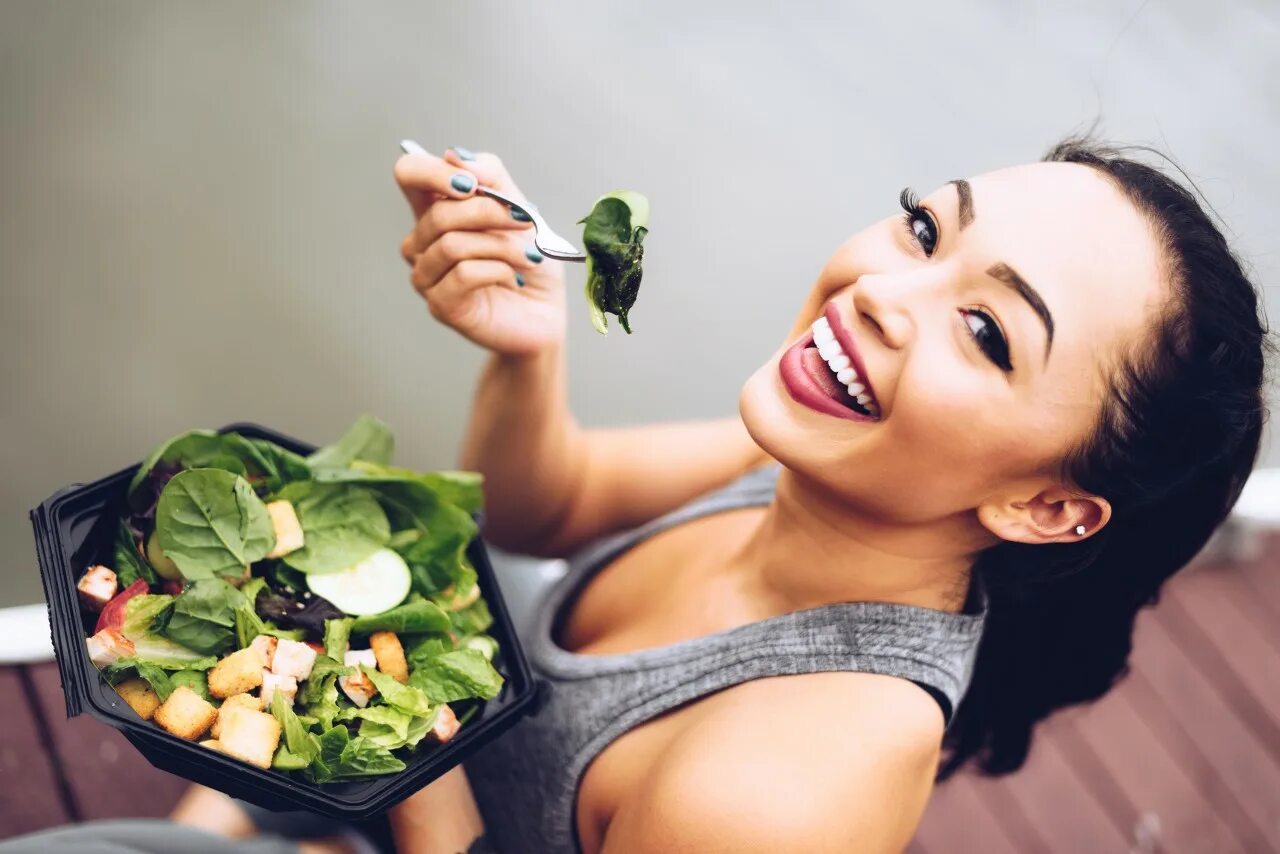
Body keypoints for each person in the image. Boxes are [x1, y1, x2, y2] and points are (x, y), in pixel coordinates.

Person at [2, 131, 1268, 854]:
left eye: (988, 335)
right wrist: (525, 351)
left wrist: (403, 746)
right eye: (925, 229)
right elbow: (540, 515)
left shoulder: (789, 794)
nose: (886, 288)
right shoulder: (815, 464)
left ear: (1050, 506)